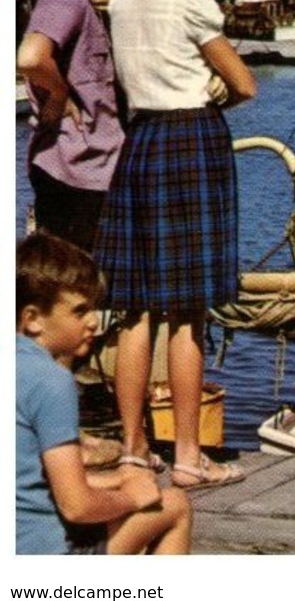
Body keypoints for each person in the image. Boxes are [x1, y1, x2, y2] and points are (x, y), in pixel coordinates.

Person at [93, 0, 257, 488]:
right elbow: (244, 85)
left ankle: (135, 447)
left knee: (134, 308)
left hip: (142, 143)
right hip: (191, 143)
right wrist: (219, 90)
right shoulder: (192, 2)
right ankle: (189, 456)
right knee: (189, 314)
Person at [17, 233, 192, 555]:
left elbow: (29, 478)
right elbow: (76, 507)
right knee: (175, 505)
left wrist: (116, 478)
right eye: (80, 311)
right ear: (33, 319)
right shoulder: (51, 381)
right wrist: (131, 496)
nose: (94, 323)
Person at [17, 0, 130, 250]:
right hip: (76, 172)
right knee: (74, 283)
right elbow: (31, 57)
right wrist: (60, 93)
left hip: (87, 169)